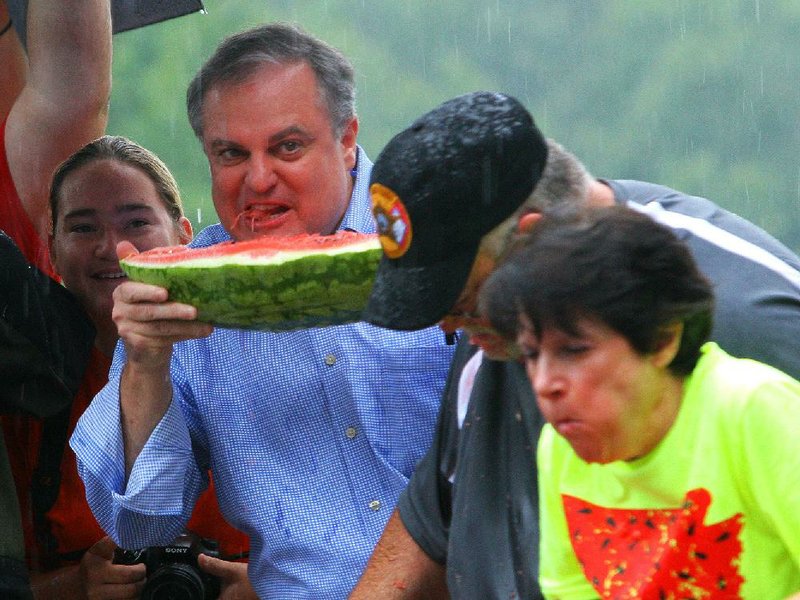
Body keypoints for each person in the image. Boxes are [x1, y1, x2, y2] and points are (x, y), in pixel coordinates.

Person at [70, 22, 458, 598]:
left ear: (347, 137)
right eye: (231, 153)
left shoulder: (449, 239)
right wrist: (146, 364)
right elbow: (141, 522)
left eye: (288, 147)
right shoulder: (184, 290)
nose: (257, 179)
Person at [351, 111, 800, 597]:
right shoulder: (510, 339)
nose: (449, 325)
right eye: (535, 353)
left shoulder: (745, 343)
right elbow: (434, 516)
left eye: (461, 302)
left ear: (530, 243)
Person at [479, 205, 800, 598]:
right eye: (531, 355)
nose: (545, 384)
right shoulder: (559, 449)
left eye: (575, 350)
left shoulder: (752, 408)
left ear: (663, 339)